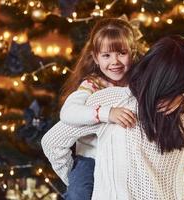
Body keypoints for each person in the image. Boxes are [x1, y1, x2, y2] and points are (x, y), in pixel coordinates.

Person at [42, 35, 184, 199]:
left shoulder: (114, 103)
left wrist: (77, 182)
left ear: (148, 64)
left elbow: (52, 142)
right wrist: (183, 96)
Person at [57, 18, 138, 200]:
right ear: (95, 57)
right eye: (106, 55)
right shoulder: (92, 84)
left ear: (132, 53)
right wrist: (107, 113)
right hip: (91, 158)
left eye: (122, 53)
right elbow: (68, 112)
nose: (115, 61)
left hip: (123, 157)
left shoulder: (137, 82)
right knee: (79, 193)